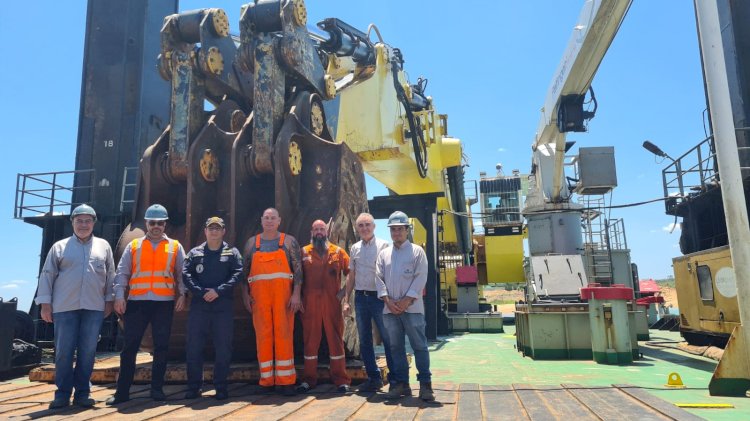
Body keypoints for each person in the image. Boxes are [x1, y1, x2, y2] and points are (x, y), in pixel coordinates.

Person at [35, 204, 115, 409]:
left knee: (88, 351)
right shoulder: (60, 247)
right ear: (72, 222)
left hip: (93, 307)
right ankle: (62, 394)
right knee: (63, 352)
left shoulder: (103, 246)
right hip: (64, 307)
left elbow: (111, 276)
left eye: (88, 221)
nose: (83, 224)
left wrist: (109, 301)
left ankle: (82, 393)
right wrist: (45, 304)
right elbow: (47, 275)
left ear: (94, 223)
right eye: (79, 220)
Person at [106, 204, 187, 405]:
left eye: (160, 223)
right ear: (147, 223)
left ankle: (157, 390)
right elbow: (122, 273)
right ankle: (122, 392)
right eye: (152, 223)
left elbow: (182, 273)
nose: (156, 226)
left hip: (163, 303)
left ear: (165, 224)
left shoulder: (175, 247)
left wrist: (183, 294)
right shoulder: (134, 246)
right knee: (130, 348)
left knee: (161, 347)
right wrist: (118, 296)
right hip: (137, 303)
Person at [241, 208, 303, 396]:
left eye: (272, 218)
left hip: (284, 298)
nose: (269, 221)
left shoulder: (289, 241)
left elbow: (298, 271)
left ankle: (286, 381)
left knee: (284, 335)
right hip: (259, 299)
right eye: (266, 218)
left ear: (279, 221)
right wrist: (245, 296)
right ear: (261, 220)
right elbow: (244, 274)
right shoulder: (252, 244)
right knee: (263, 337)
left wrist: (296, 295)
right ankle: (266, 380)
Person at [376, 211, 434, 401]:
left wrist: (406, 301)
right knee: (396, 348)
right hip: (390, 310)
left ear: (407, 230)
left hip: (413, 310)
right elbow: (378, 278)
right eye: (393, 229)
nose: (396, 233)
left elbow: (421, 277)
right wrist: (387, 301)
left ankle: (425, 385)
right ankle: (401, 384)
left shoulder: (417, 252)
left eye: (400, 229)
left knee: (419, 346)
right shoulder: (384, 254)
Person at [183, 217, 243, 401]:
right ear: (205, 231)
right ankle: (194, 387)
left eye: (218, 228)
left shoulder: (232, 253)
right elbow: (186, 274)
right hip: (200, 306)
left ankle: (221, 387)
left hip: (222, 306)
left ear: (224, 231)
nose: (214, 231)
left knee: (223, 347)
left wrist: (218, 291)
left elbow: (238, 273)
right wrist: (201, 292)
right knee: (194, 347)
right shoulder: (195, 253)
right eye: (211, 228)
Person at [339, 212, 392, 392]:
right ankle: (373, 377)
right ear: (357, 228)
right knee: (364, 341)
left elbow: (389, 274)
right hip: (361, 298)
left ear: (374, 226)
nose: (364, 228)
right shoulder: (354, 248)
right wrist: (346, 301)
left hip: (379, 298)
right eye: (361, 225)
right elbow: (351, 276)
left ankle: (396, 379)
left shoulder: (384, 245)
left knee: (387, 338)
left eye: (367, 225)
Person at [296, 220, 351, 394]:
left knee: (336, 340)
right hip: (310, 304)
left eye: (322, 229)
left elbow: (351, 273)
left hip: (332, 303)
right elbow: (296, 277)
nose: (319, 231)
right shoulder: (303, 252)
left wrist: (344, 293)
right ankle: (308, 380)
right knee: (310, 342)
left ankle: (341, 380)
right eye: (316, 229)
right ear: (311, 231)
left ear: (327, 231)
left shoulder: (338, 252)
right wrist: (297, 296)